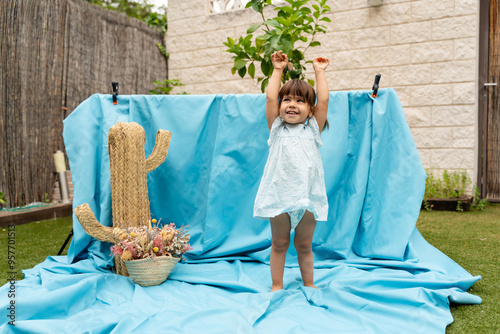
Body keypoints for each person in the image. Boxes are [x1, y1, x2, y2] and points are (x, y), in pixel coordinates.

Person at [254, 51, 330, 292]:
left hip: (307, 198)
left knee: (305, 245)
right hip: (280, 198)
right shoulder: (276, 129)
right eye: (287, 100)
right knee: (279, 243)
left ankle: (309, 283)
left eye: (300, 101)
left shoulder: (313, 130)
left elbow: (325, 101)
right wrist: (277, 69)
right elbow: (269, 99)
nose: (292, 105)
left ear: (310, 109)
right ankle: (277, 284)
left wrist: (319, 72)